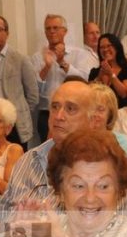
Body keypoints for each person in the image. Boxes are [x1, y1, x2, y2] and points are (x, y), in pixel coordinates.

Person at [0, 80, 127, 229]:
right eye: (55, 107)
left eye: (71, 109)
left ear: (92, 120)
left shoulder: (116, 169)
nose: (59, 116)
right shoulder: (28, 161)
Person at [31, 14, 95, 144]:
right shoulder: (37, 57)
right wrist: (47, 67)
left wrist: (62, 63)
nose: (52, 31)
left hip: (74, 112)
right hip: (47, 113)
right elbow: (34, 90)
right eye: (48, 28)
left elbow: (84, 81)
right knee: (49, 151)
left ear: (64, 31)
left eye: (55, 28)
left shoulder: (79, 54)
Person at [0, 14, 39, 147]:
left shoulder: (20, 59)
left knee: (16, 163)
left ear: (7, 33)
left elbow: (33, 95)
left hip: (13, 125)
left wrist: (19, 114)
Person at [89, 33, 127, 107]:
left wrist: (111, 74)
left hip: (121, 111)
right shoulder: (94, 72)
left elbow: (124, 94)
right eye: (102, 47)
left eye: (109, 46)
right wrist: (100, 75)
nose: (105, 49)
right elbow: (90, 93)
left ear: (117, 47)